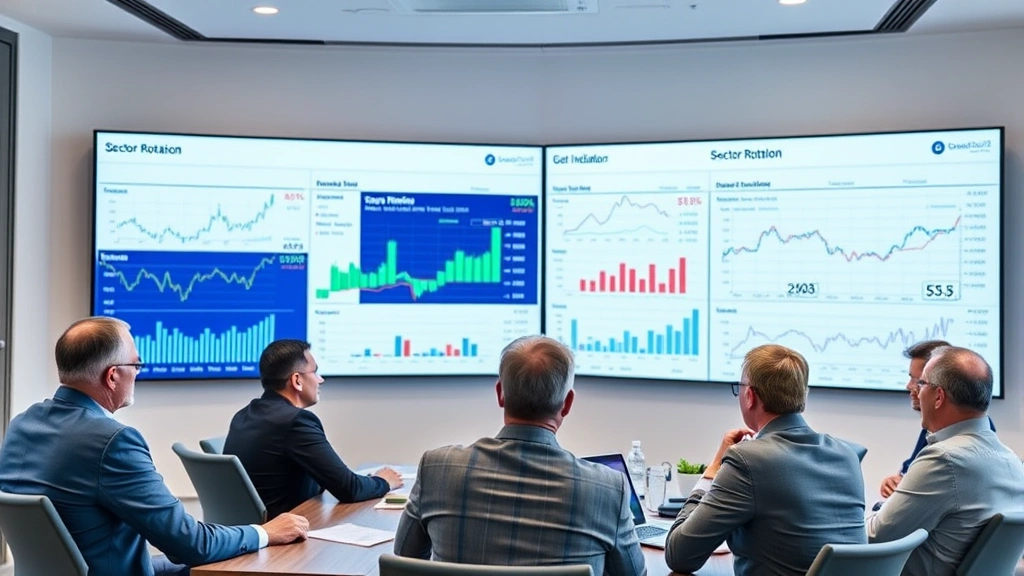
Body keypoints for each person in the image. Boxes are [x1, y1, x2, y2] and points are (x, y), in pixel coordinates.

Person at [0, 317, 308, 576]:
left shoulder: (23, 424)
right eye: (136, 364)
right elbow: (190, 544)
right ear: (112, 376)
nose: (138, 372)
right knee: (256, 560)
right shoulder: (112, 441)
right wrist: (265, 532)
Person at [394, 335, 646, 576]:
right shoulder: (607, 489)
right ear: (567, 403)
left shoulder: (437, 469)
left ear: (500, 394)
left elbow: (404, 562)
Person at [665, 344, 867, 576]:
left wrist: (712, 471)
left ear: (750, 396)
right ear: (804, 395)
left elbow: (679, 555)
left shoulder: (747, 460)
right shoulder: (847, 455)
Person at [868, 346, 1024, 576]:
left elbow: (877, 536)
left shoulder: (944, 459)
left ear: (939, 397)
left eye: (921, 384)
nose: (915, 391)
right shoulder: (1013, 462)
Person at [224, 339, 402, 519]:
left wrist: (362, 481)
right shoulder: (295, 422)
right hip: (285, 529)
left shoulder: (244, 415)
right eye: (315, 372)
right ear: (297, 380)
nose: (320, 380)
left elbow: (330, 479)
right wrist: (384, 481)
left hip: (249, 529)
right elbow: (349, 489)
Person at [878, 339, 994, 501]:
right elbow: (912, 470)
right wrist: (899, 479)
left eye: (919, 381)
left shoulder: (948, 453)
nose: (909, 386)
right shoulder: (934, 427)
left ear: (939, 392)